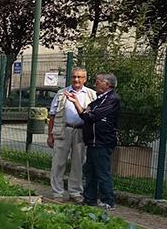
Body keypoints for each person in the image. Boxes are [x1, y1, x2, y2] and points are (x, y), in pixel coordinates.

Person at [66, 72, 120, 210]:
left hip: (102, 141)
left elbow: (91, 115)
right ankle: (90, 198)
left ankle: (108, 200)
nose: (95, 84)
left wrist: (78, 104)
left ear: (107, 84)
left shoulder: (112, 99)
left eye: (98, 82)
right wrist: (84, 109)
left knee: (102, 172)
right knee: (90, 170)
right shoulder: (99, 99)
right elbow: (87, 112)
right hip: (93, 141)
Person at [46, 66, 96, 202]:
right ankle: (58, 192)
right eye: (74, 77)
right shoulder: (62, 93)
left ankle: (75, 192)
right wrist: (50, 135)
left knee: (78, 162)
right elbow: (52, 115)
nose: (76, 79)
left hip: (81, 131)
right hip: (63, 130)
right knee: (58, 162)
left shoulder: (91, 94)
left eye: (79, 77)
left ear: (85, 79)